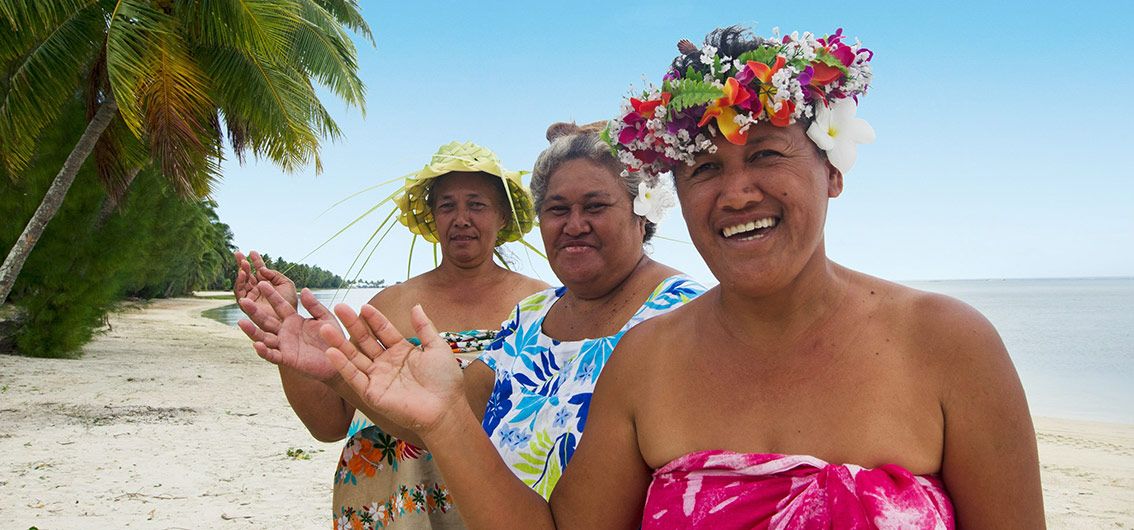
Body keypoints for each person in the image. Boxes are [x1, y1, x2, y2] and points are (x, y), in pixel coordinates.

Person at [325, 27, 1046, 529]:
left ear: (831, 170)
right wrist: (447, 422)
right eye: (704, 167)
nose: (736, 193)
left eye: (766, 154)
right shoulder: (648, 361)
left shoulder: (948, 347)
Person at [317, 122, 705, 497]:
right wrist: (335, 374)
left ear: (642, 212)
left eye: (595, 205)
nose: (574, 225)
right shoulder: (531, 316)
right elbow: (452, 422)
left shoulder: (686, 315)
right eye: (557, 209)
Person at [234, 141, 549, 529]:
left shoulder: (540, 304)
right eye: (447, 205)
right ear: (433, 216)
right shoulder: (389, 305)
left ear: (502, 216)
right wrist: (287, 337)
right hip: (394, 507)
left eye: (477, 204)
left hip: (504, 505)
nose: (461, 218)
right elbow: (329, 424)